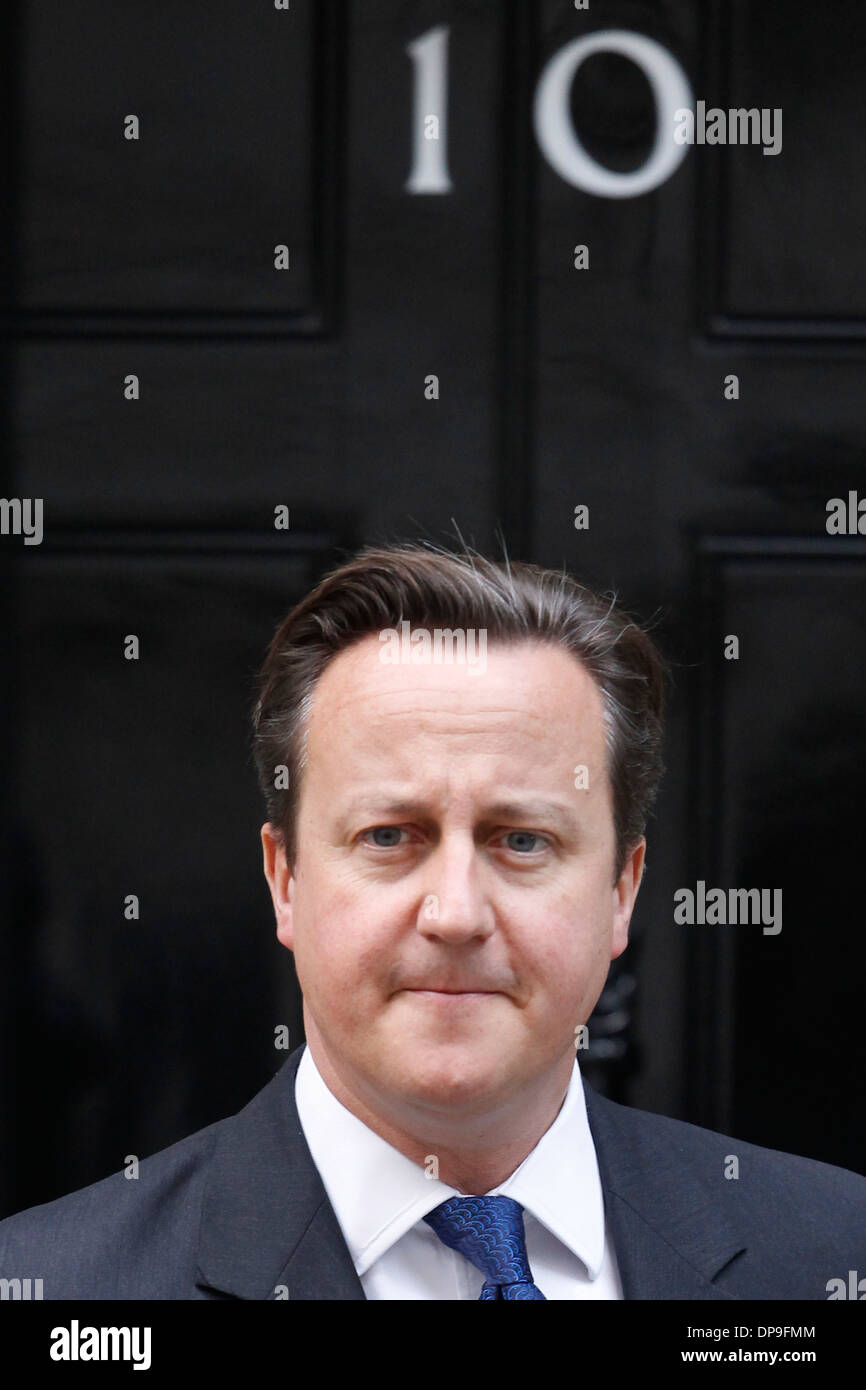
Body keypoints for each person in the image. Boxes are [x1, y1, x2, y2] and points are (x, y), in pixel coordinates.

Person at [1, 542, 863, 1300]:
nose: (455, 915)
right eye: (388, 836)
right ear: (285, 880)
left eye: (522, 840)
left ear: (622, 891)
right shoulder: (56, 1288)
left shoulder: (832, 1255)